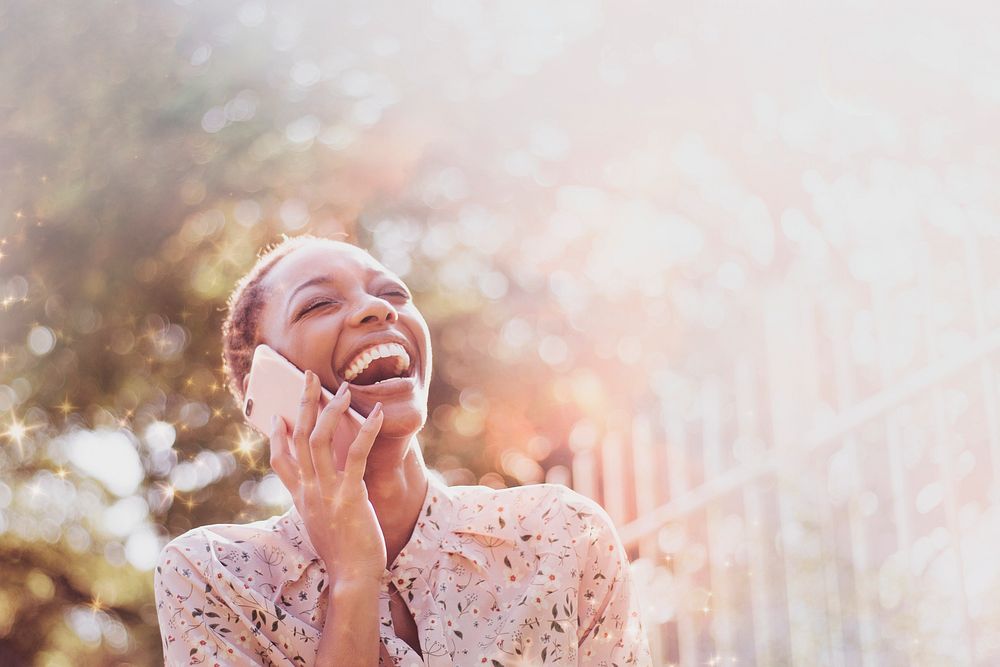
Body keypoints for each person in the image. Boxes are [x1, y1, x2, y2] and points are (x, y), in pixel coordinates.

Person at [154, 234, 651, 666]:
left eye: (393, 293)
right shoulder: (214, 576)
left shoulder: (560, 535)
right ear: (264, 390)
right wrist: (352, 577)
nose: (380, 308)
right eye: (318, 304)